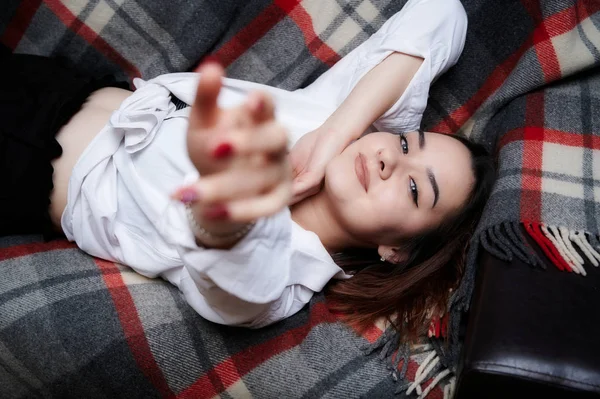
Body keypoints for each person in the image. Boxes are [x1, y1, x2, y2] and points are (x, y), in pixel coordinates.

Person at [2, 0, 494, 336]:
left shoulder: (279, 285)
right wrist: (338, 129)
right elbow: (441, 13)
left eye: (413, 187)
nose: (391, 157)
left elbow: (227, 263)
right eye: (407, 141)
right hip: (59, 86)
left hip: (23, 170)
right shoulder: (333, 121)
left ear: (397, 251)